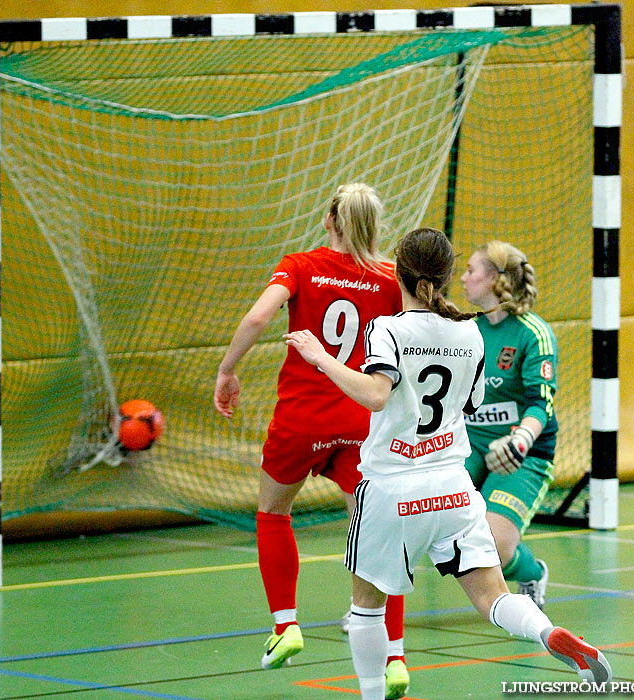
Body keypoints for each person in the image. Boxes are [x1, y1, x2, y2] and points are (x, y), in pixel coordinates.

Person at [285, 228, 611, 700]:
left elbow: (376, 395)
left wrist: (320, 358)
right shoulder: (471, 333)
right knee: (494, 598)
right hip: (453, 489)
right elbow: (472, 404)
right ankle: (548, 634)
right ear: (442, 277)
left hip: (391, 489)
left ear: (398, 272)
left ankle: (374, 695)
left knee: (366, 610)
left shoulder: (389, 329)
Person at [214, 183, 410, 698]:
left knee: (274, 512)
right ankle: (394, 656)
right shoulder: (391, 277)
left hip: (302, 417)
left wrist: (227, 369)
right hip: (361, 418)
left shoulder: (300, 265)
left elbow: (259, 316)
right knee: (377, 532)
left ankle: (286, 626)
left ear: (330, 219)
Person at [460, 241, 556, 609]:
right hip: (470, 446)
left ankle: (531, 571)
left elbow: (540, 404)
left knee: (492, 548)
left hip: (521, 452)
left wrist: (518, 441)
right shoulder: (465, 330)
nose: (464, 278)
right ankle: (372, 608)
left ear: (495, 279)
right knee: (424, 517)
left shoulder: (532, 333)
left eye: (471, 270)